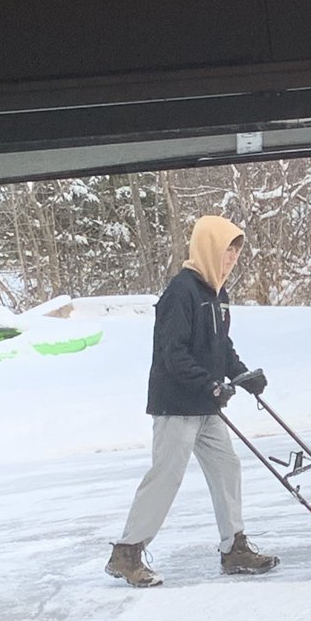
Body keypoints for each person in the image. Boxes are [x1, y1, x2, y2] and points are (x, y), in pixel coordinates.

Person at [105, 215, 280, 587]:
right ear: (207, 248)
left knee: (227, 468)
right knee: (166, 476)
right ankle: (127, 552)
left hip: (206, 404)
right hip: (177, 405)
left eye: (236, 250)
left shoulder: (218, 294)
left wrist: (243, 376)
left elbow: (221, 347)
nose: (231, 257)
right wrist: (208, 384)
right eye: (226, 249)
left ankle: (234, 548)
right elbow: (173, 353)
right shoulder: (180, 292)